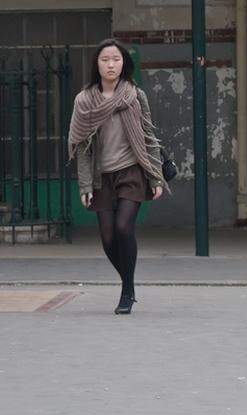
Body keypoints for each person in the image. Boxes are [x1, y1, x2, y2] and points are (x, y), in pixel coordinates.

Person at [68, 39, 166, 315]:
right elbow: (81, 147)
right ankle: (129, 283)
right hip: (101, 177)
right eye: (105, 60)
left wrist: (156, 177)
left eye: (116, 59)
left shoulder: (135, 95)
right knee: (108, 239)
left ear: (124, 63)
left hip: (131, 171)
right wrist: (85, 184)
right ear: (96, 65)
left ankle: (127, 292)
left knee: (124, 228)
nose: (111, 64)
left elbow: (149, 137)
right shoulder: (84, 101)